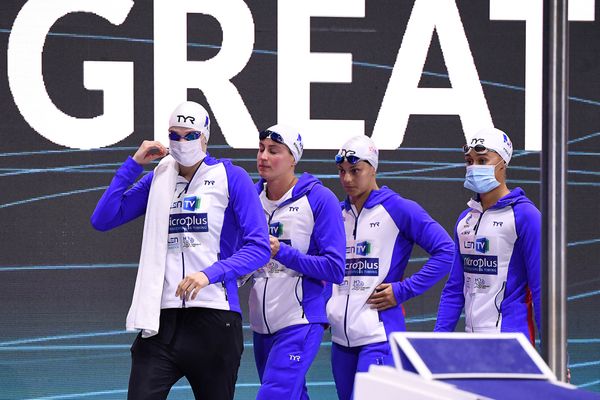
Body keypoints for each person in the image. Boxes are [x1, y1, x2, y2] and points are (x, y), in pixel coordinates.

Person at [90, 101, 270, 400]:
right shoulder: (159, 178)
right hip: (162, 320)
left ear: (205, 136)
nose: (182, 142)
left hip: (215, 317)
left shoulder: (231, 177)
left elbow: (259, 248)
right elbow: (103, 219)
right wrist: (133, 165)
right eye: (174, 135)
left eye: (190, 135)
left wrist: (209, 275)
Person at [327, 135, 454, 400]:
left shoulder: (399, 208)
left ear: (373, 168)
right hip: (340, 341)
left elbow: (447, 251)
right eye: (341, 172)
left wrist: (403, 290)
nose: (347, 179)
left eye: (355, 171)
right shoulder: (336, 215)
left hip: (379, 337)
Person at [249, 124, 346, 399]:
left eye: (274, 151)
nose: (263, 157)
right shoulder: (250, 198)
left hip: (301, 320)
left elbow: (335, 268)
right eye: (261, 149)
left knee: (274, 395)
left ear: (293, 158)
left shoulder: (319, 198)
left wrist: (282, 251)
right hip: (260, 324)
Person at [435, 127, 541, 344]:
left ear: (503, 163)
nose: (474, 167)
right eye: (469, 161)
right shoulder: (466, 219)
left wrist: (556, 356)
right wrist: (435, 343)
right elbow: (454, 289)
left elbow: (542, 290)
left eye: (482, 161)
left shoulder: (526, 215)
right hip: (472, 342)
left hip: (511, 343)